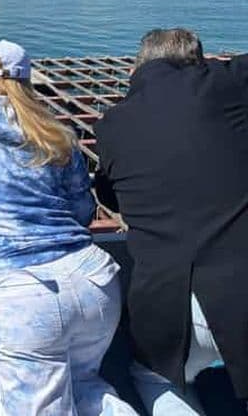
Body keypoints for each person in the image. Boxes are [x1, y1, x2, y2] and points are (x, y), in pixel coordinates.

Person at [0, 40, 137, 416]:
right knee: (86, 386)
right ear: (27, 82)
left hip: (23, 292)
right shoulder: (58, 133)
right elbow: (82, 210)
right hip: (92, 276)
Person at [94, 29, 248, 414]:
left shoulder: (111, 124)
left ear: (137, 67)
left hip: (167, 309)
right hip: (241, 291)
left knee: (155, 378)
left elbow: (108, 196)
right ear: (199, 60)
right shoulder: (226, 84)